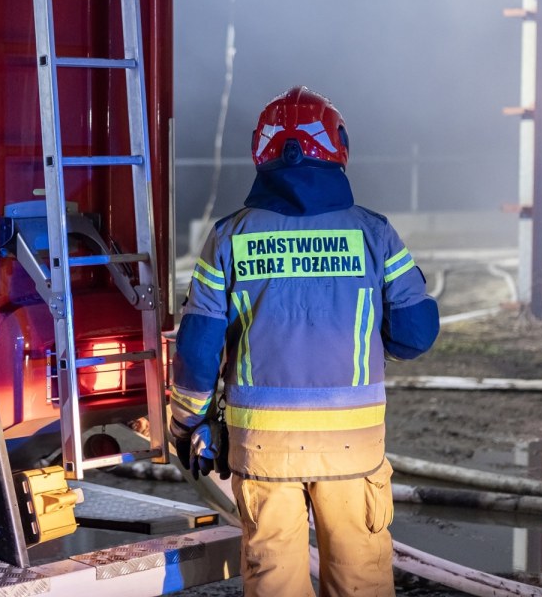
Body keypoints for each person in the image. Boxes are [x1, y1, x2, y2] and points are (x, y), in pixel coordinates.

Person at [170, 85, 439, 597]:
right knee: (360, 581)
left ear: (261, 151)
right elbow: (414, 335)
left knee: (274, 581)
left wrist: (187, 423)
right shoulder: (374, 234)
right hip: (351, 451)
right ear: (338, 145)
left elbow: (199, 347)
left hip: (264, 451)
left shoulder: (230, 237)